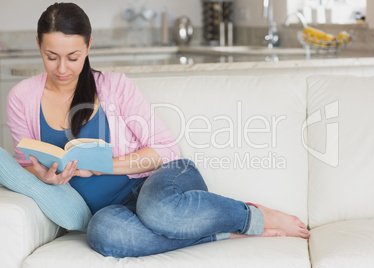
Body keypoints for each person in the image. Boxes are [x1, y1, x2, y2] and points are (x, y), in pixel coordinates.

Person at [6, 2, 309, 258]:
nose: (62, 69)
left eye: (72, 57)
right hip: (112, 211)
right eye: (51, 56)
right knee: (103, 235)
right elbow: (25, 165)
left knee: (157, 211)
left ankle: (252, 215)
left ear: (88, 46)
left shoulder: (115, 86)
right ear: (38, 45)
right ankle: (216, 234)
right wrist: (45, 176)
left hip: (163, 182)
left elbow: (166, 150)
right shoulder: (22, 98)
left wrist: (103, 168)